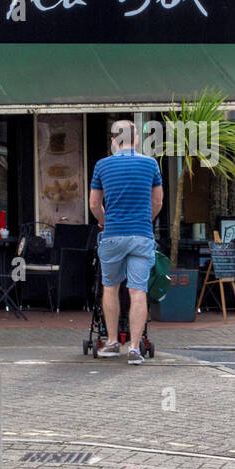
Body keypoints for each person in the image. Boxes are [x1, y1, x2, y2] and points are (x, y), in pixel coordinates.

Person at [88, 120, 163, 364]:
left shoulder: (102, 165)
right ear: (137, 140)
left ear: (113, 141)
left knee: (110, 288)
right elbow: (158, 202)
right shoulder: (150, 164)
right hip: (141, 235)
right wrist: (146, 220)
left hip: (113, 235)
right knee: (138, 290)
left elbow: (93, 204)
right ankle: (134, 348)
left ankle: (111, 342)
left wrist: (105, 222)